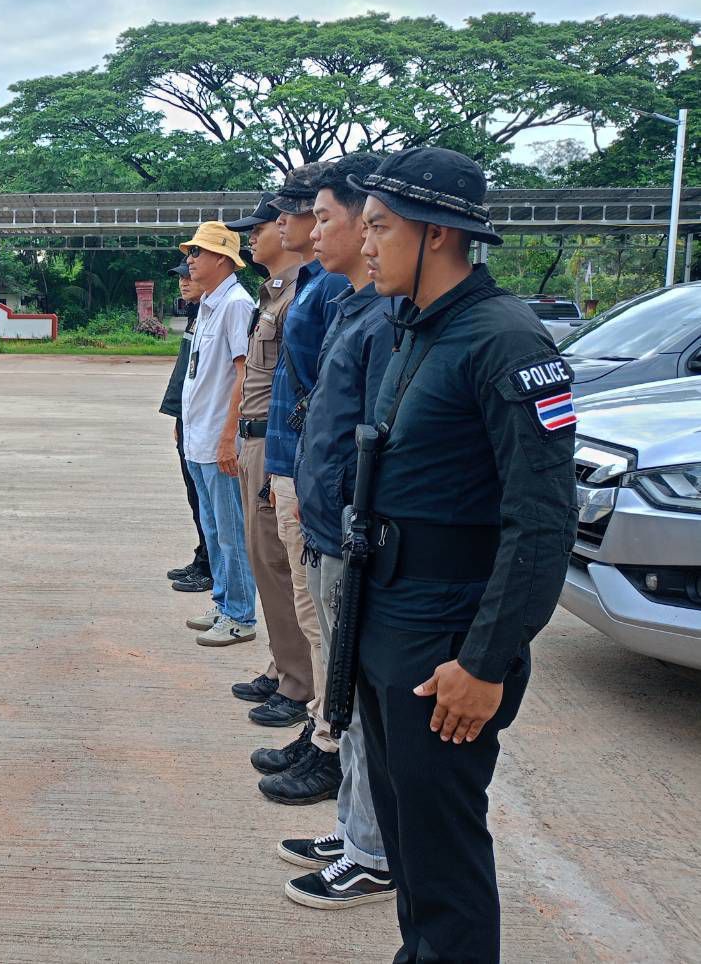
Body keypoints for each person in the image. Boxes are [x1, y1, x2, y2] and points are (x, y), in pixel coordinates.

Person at [352, 147, 577, 960]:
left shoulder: (505, 340)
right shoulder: (415, 327)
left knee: (442, 851)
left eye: (378, 227)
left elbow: (541, 519)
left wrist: (485, 662)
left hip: (446, 634)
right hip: (388, 613)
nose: (364, 243)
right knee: (408, 837)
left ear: (437, 233)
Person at [274, 153, 398, 908]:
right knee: (346, 700)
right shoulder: (353, 305)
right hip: (326, 527)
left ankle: (373, 852)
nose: (313, 232)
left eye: (325, 218)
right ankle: (355, 830)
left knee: (359, 700)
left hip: (350, 536)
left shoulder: (383, 316)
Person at [251, 161, 349, 802]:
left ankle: (330, 743)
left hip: (308, 475)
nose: (294, 225)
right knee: (313, 613)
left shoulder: (334, 291)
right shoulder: (315, 285)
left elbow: (322, 394)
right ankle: (320, 730)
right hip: (293, 467)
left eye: (308, 213)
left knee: (324, 621)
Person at [224, 194, 310, 718]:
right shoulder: (274, 294)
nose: (253, 236)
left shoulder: (303, 296)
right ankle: (283, 665)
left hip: (272, 443)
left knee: (278, 565)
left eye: (262, 227)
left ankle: (298, 682)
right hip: (254, 439)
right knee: (264, 560)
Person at [177, 220, 258, 647]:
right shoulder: (209, 303)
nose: (190, 260)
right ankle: (225, 602)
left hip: (218, 439)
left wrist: (230, 436)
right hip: (199, 438)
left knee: (230, 532)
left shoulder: (236, 305)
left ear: (224, 259)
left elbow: (244, 376)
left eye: (198, 252)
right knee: (213, 530)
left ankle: (241, 615)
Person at [160, 259, 215, 602]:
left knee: (208, 501)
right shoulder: (197, 315)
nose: (184, 281)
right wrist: (179, 416)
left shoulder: (225, 311)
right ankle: (203, 556)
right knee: (196, 498)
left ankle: (210, 566)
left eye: (189, 275)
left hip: (206, 422)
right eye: (181, 277)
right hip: (189, 418)